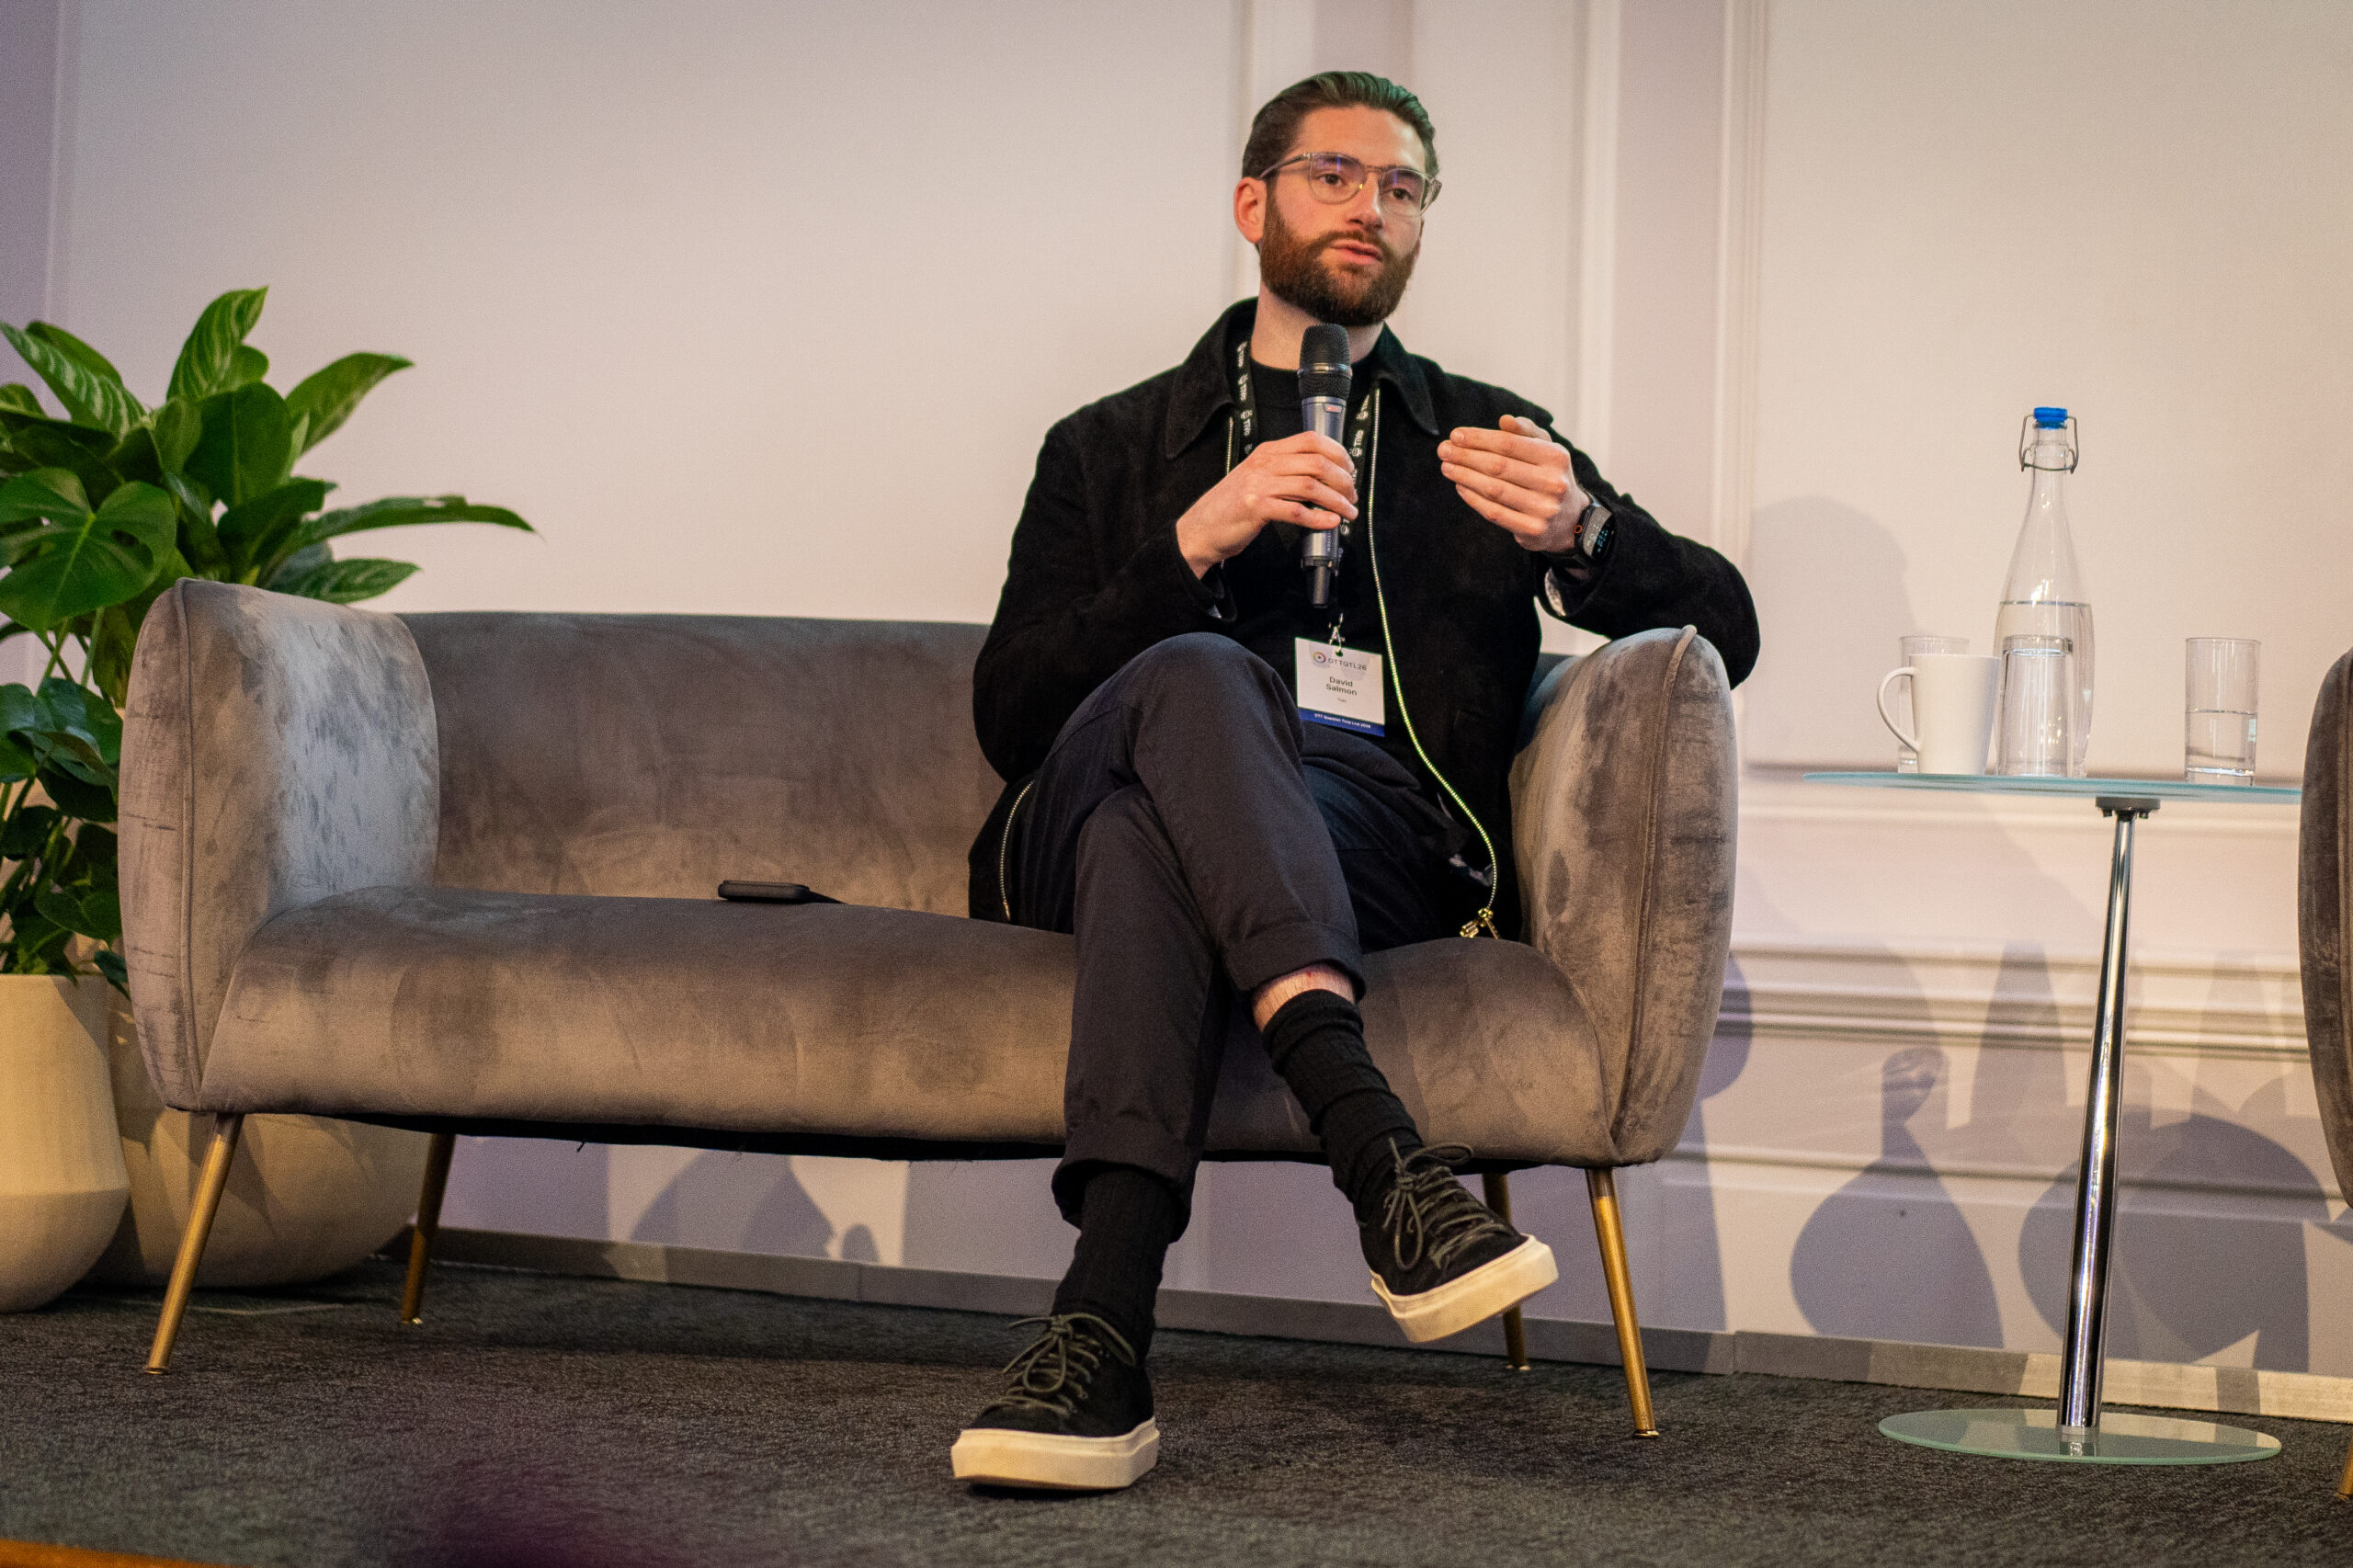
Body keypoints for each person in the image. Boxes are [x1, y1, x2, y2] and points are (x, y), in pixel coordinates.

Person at [949, 71, 1758, 1492]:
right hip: (1082, 806)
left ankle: (1101, 1330)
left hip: (1369, 835)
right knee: (1200, 682)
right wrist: (1191, 543)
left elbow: (1725, 632)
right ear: (1252, 203)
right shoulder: (1108, 447)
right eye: (1334, 174)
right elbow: (1013, 712)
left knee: (1158, 837)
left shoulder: (1483, 438)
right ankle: (1383, 1158)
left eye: (1401, 186)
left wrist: (1586, 531)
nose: (1369, 206)